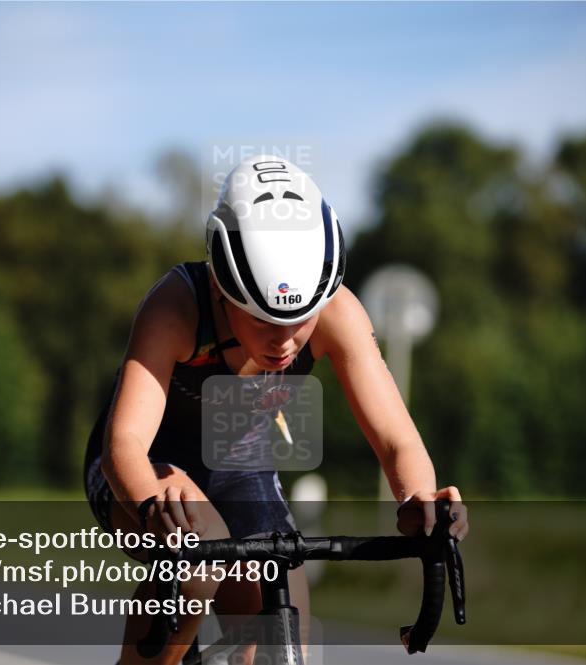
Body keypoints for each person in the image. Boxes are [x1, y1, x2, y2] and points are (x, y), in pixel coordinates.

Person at [83, 155, 469, 665]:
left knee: (281, 633)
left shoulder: (337, 310)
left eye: (300, 320)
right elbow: (123, 444)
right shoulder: (176, 307)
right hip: (146, 468)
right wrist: (153, 508)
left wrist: (422, 501)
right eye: (263, 320)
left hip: (241, 467)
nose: (284, 342)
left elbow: (398, 439)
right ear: (222, 286)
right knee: (198, 560)